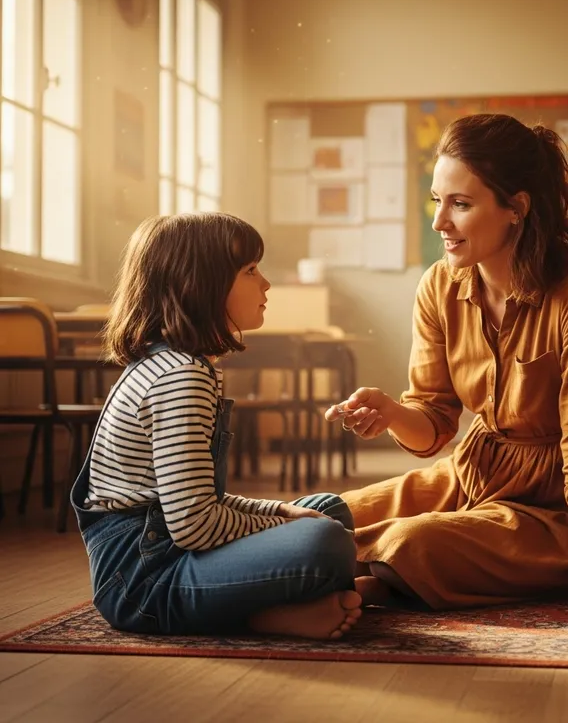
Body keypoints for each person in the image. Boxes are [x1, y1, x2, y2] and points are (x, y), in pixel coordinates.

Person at [327, 113, 568, 622]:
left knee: (412, 541)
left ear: (516, 208)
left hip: (560, 513)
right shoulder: (438, 285)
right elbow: (433, 417)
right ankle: (337, 579)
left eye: (461, 203)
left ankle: (333, 583)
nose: (439, 222)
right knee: (326, 515)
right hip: (476, 470)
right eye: (438, 200)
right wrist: (390, 412)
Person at [71, 212, 361, 639]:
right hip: (145, 583)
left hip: (173, 551)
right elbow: (196, 525)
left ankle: (294, 606)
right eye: (250, 271)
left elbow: (202, 504)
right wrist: (286, 525)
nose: (265, 284)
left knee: (327, 509)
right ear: (201, 284)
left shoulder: (183, 364)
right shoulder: (179, 376)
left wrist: (281, 510)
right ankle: (267, 615)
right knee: (323, 540)